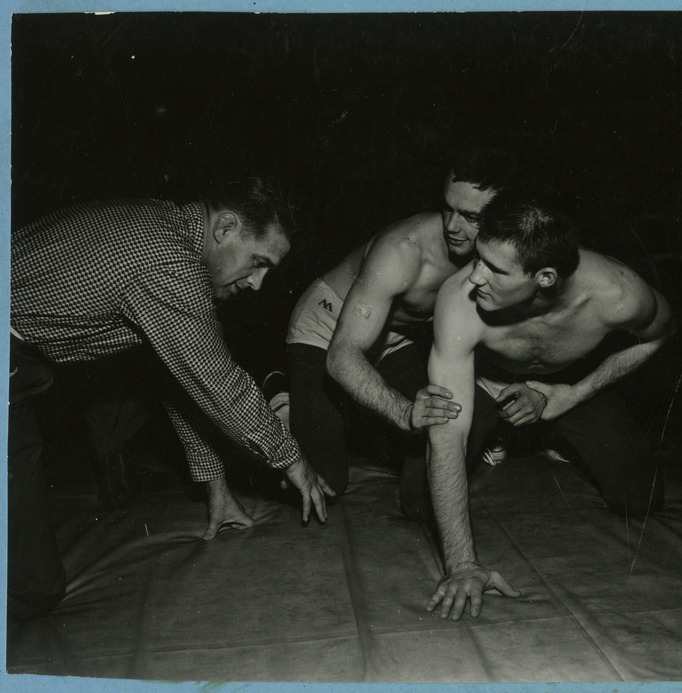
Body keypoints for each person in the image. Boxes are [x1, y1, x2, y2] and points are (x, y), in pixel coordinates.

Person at [9, 177, 333, 619]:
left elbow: (177, 377)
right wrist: (292, 460)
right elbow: (217, 381)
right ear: (225, 228)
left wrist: (215, 485)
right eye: (259, 262)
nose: (258, 283)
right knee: (31, 589)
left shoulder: (164, 225)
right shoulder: (168, 262)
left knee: (31, 585)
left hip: (18, 373)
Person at [424, 190, 674, 620]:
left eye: (494, 269)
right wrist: (462, 563)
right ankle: (498, 438)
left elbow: (660, 335)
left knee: (642, 498)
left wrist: (574, 394)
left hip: (566, 383)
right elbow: (447, 427)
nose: (474, 277)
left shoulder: (618, 292)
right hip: (486, 381)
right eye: (477, 259)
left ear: (544, 277)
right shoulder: (458, 300)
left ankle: (551, 434)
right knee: (417, 500)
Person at [286, 148, 517, 511]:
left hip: (394, 340)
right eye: (448, 208)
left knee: (419, 498)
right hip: (327, 332)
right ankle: (279, 392)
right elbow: (342, 355)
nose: (453, 226)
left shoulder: (510, 251)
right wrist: (403, 412)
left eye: (470, 216)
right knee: (326, 482)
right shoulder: (403, 250)